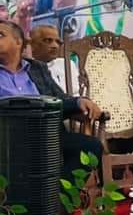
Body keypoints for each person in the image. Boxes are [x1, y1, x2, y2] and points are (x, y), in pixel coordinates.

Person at [0, 20, 103, 180]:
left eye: (0, 35)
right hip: (9, 139)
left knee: (90, 146)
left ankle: (58, 193)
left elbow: (59, 99)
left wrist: (79, 102)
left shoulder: (37, 68)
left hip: (47, 134)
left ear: (18, 42)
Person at [28, 24, 79, 95]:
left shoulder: (68, 64)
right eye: (48, 40)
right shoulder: (26, 69)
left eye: (58, 42)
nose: (55, 46)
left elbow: (77, 93)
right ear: (32, 44)